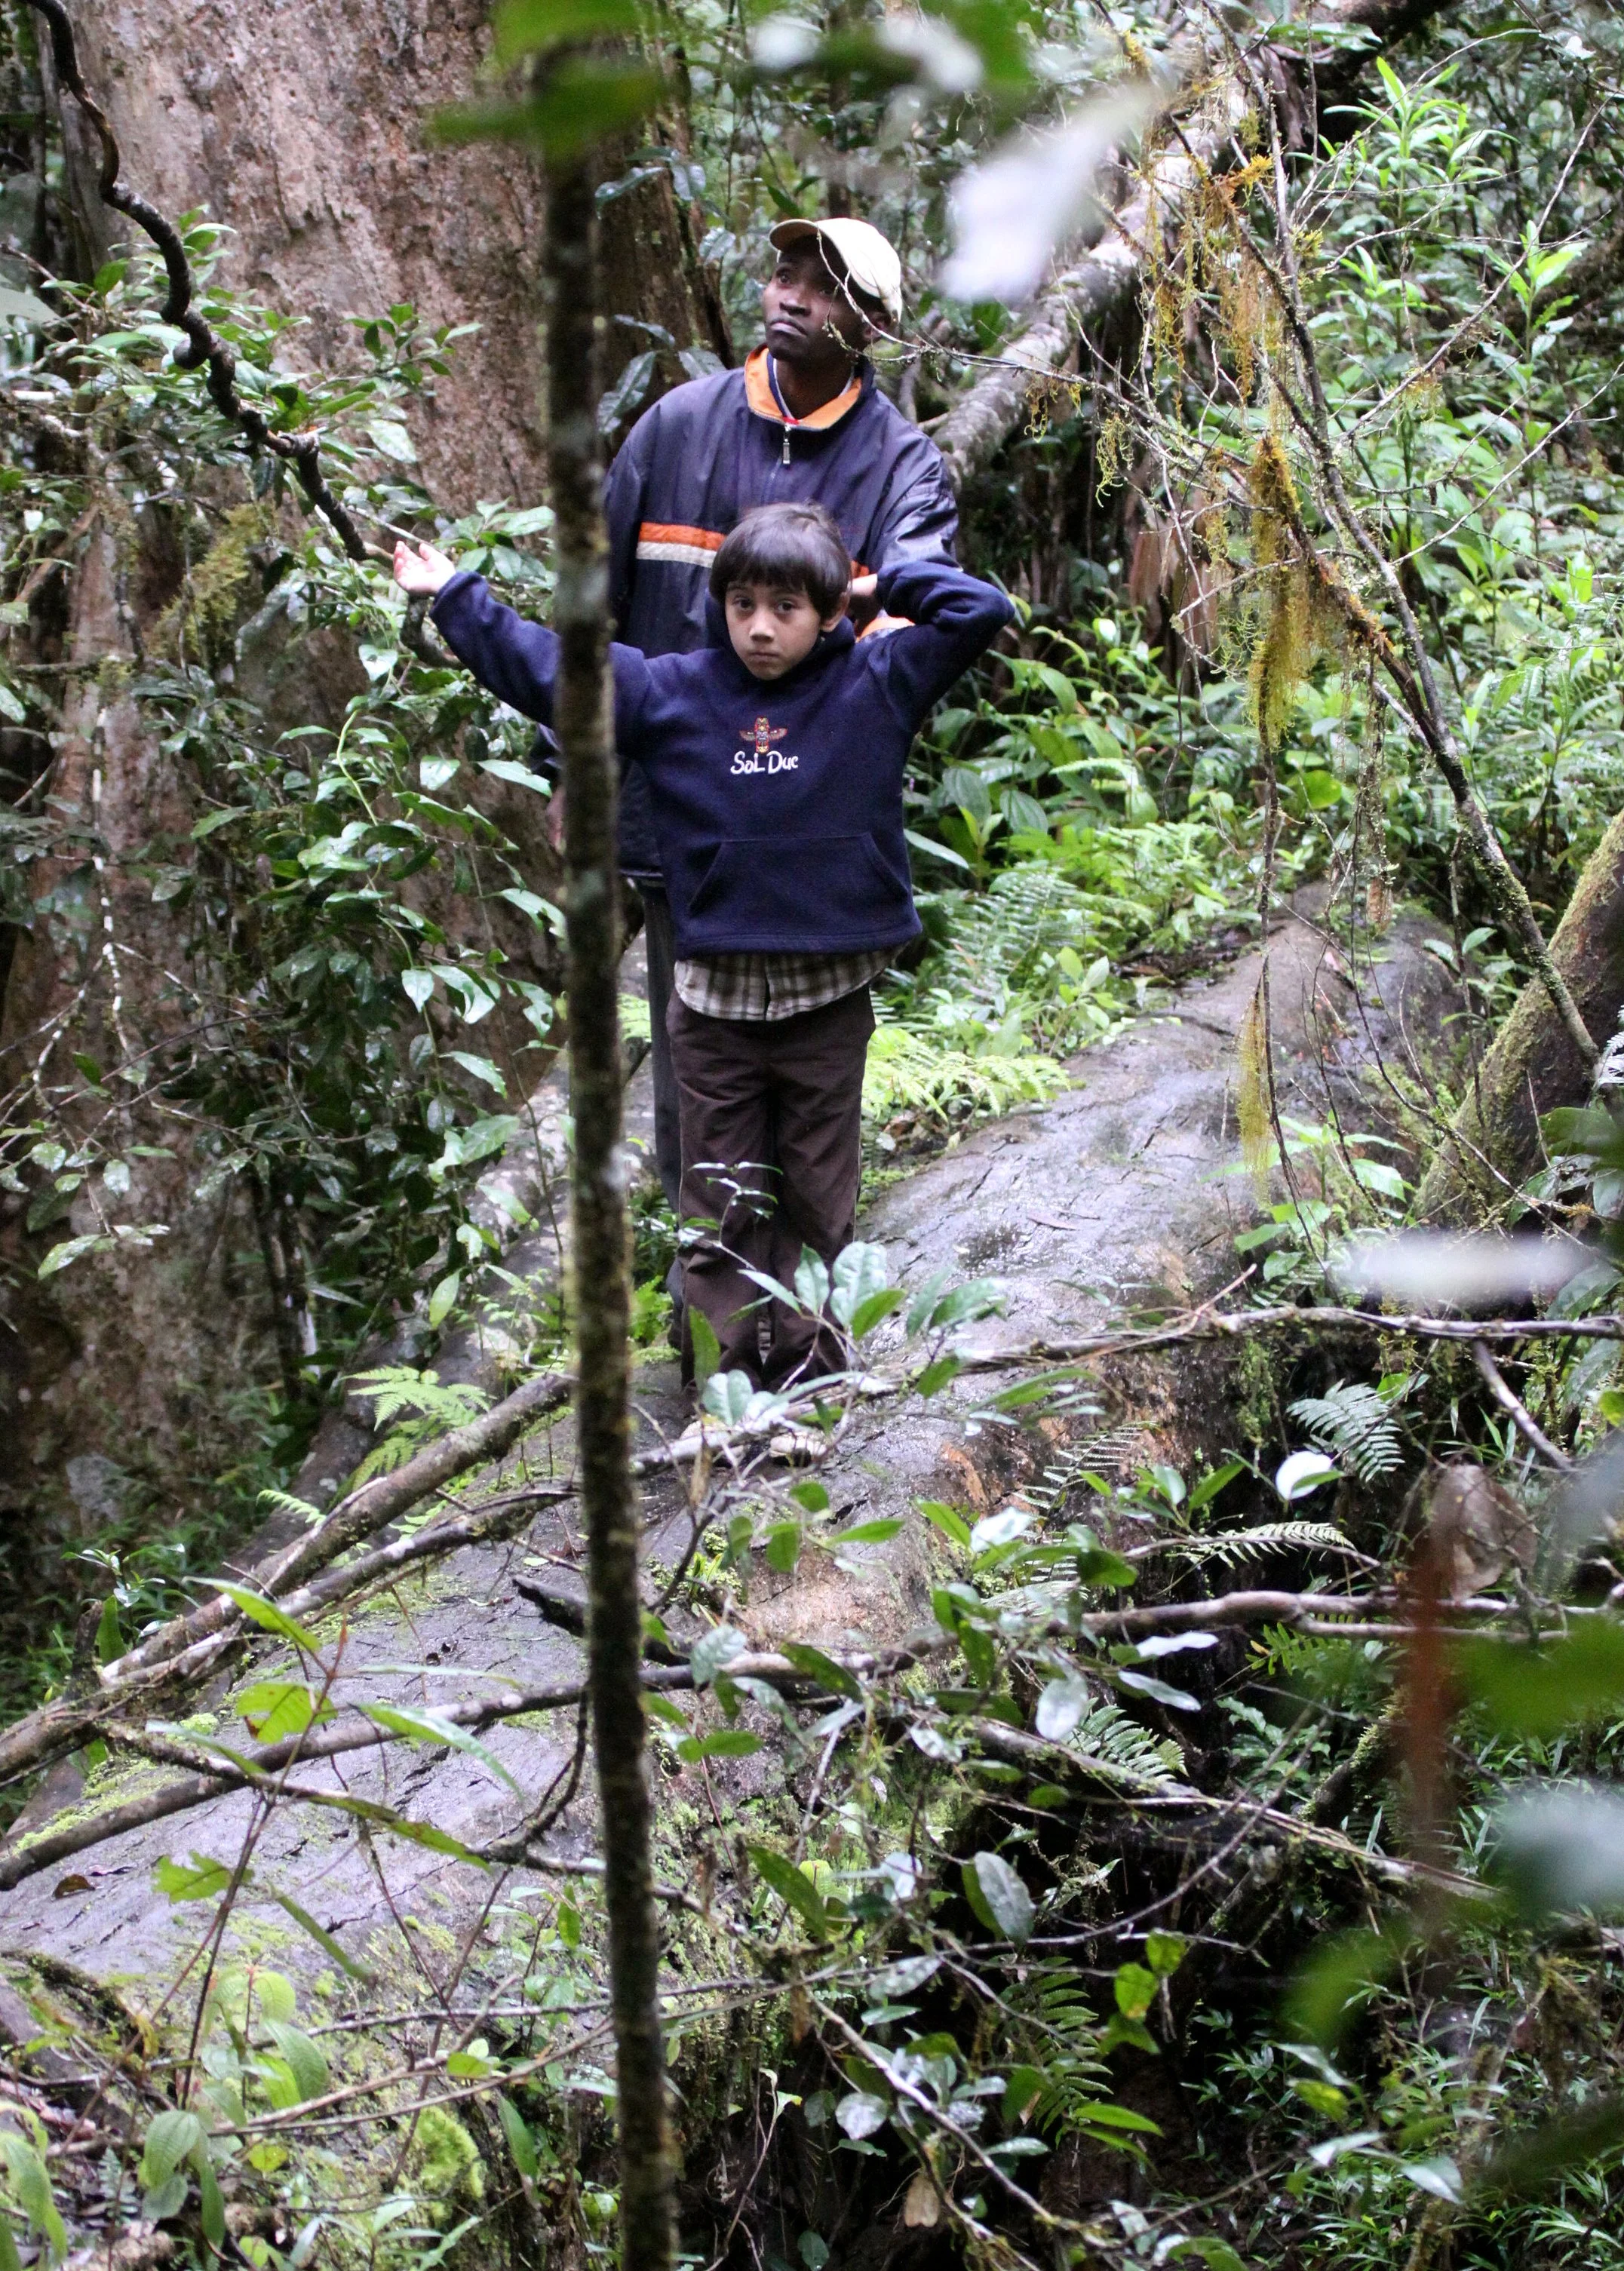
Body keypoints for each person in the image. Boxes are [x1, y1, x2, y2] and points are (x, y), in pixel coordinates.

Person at [395, 502, 1009, 1391]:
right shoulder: (668, 691)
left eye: (788, 607)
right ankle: (728, 1385)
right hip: (714, 1012)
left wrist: (881, 583)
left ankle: (808, 1378)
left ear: (832, 612)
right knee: (719, 1202)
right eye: (743, 604)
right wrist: (454, 594)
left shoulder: (876, 682)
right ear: (719, 605)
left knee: (814, 1196)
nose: (760, 627)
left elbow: (979, 612)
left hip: (826, 1008)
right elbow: (549, 671)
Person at [603, 215, 960, 1220]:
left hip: (811, 842)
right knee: (697, 1091)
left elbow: (917, 626)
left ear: (874, 324)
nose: (791, 296)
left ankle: (810, 1335)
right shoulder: (676, 428)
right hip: (684, 831)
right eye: (784, 273)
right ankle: (707, 1339)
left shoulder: (901, 469)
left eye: (825, 285)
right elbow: (589, 606)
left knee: (812, 1097)